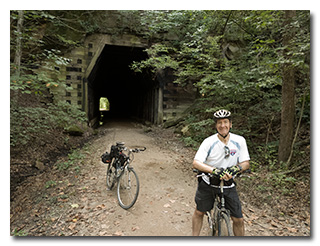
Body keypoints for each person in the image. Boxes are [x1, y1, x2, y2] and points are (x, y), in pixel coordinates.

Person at [192, 109, 250, 236]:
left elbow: (246, 162)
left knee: (238, 219)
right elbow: (196, 163)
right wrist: (214, 170)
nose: (222, 125)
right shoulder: (209, 142)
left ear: (230, 124)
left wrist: (236, 168)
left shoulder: (239, 141)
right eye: (219, 123)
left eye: (225, 122)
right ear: (216, 125)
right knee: (199, 212)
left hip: (228, 183)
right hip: (209, 182)